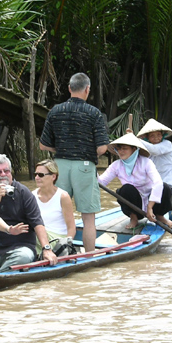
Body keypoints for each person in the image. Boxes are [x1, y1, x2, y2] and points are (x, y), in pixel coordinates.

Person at [39, 72, 110, 252]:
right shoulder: (94, 113)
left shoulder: (55, 111)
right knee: (88, 218)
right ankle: (89, 257)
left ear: (69, 89)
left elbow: (43, 145)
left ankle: (54, 251)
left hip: (59, 167)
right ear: (87, 89)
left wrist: (62, 150)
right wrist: (84, 151)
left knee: (58, 213)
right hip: (85, 167)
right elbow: (102, 148)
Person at [0, 153, 58, 272]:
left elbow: (37, 222)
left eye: (6, 171)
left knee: (23, 258)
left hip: (19, 248)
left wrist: (46, 249)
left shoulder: (23, 192)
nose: (3, 175)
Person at [98, 133, 172, 229]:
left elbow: (158, 182)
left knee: (165, 187)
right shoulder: (116, 165)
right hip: (134, 205)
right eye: (119, 149)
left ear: (134, 150)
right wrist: (92, 169)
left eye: (124, 148)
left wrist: (150, 207)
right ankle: (133, 218)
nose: (121, 151)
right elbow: (101, 182)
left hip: (153, 203)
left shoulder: (146, 162)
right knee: (125, 189)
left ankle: (159, 215)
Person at [32, 159, 77, 253]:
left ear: (53, 176)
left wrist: (67, 244)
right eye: (35, 174)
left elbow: (71, 227)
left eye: (41, 175)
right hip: (39, 236)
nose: (37, 177)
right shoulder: (32, 195)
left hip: (56, 239)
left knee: (31, 233)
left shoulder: (63, 196)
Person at [134, 118, 172, 190]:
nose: (156, 138)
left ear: (162, 135)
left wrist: (135, 139)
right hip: (154, 186)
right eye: (152, 136)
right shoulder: (145, 150)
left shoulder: (167, 144)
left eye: (158, 134)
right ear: (147, 138)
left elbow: (155, 150)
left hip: (169, 185)